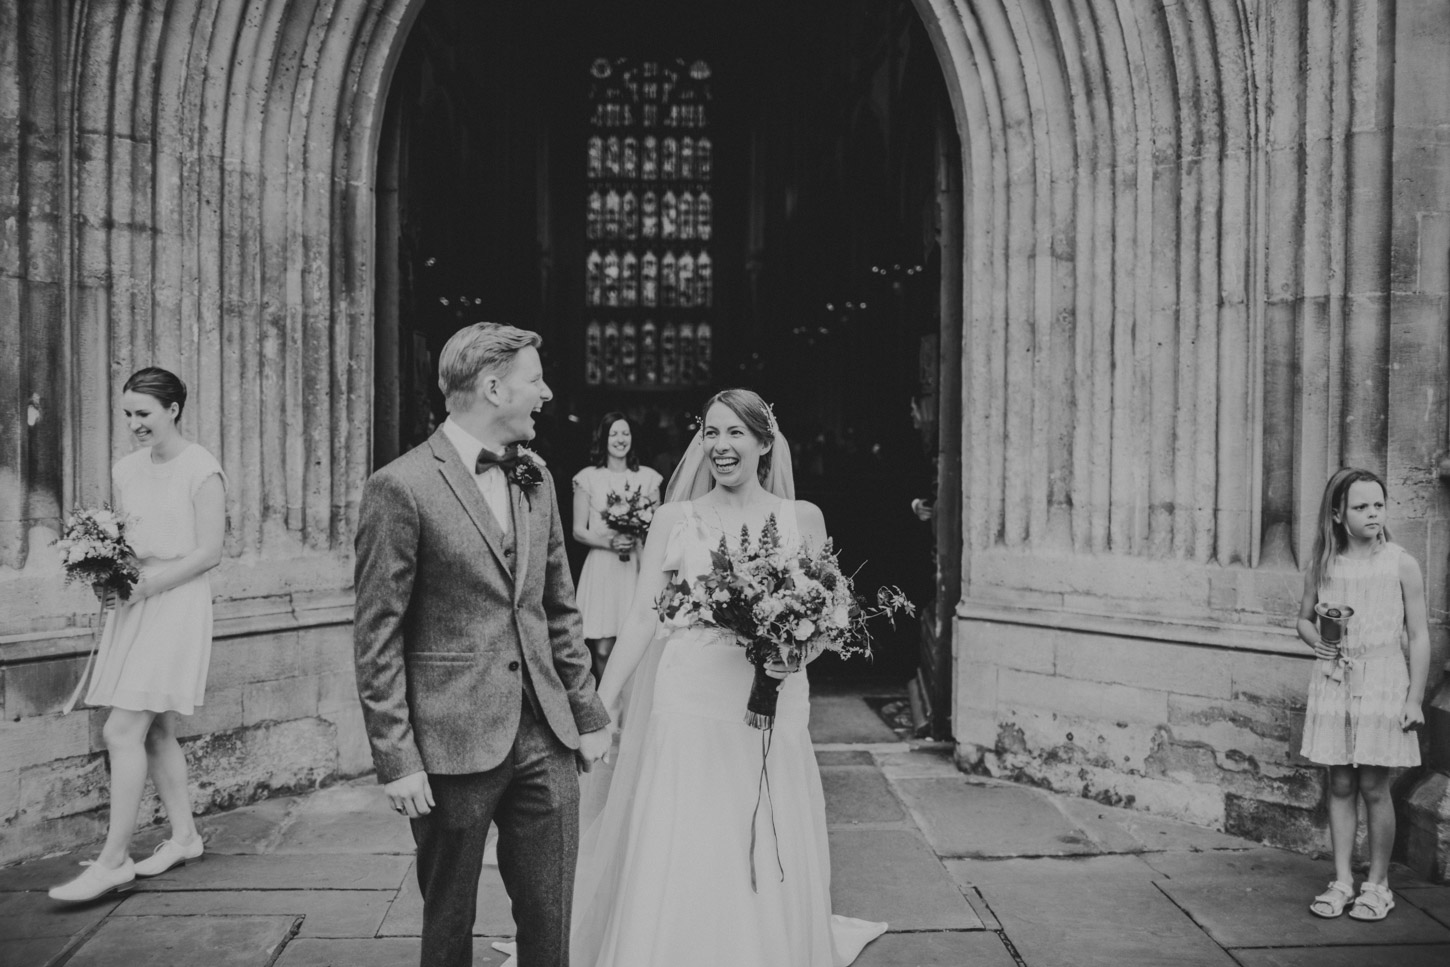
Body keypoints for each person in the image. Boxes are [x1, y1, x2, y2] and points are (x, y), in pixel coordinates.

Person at [569, 388, 887, 967]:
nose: (720, 446)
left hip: (773, 698)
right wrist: (600, 704)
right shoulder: (673, 518)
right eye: (710, 433)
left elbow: (829, 615)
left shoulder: (802, 517)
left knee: (769, 819)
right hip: (689, 693)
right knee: (687, 825)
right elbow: (643, 615)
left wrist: (799, 655)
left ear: (765, 443)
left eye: (735, 433)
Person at [353, 322, 612, 967]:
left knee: (551, 912)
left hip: (546, 735)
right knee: (449, 916)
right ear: (494, 388)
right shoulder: (401, 486)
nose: (546, 393)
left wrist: (586, 711)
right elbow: (377, 632)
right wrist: (396, 756)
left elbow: (558, 605)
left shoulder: (538, 478)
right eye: (535, 380)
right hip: (450, 740)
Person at [49, 367, 226, 902]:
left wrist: (144, 587)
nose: (134, 424)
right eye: (127, 414)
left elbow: (209, 551)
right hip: (135, 603)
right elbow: (129, 541)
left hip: (175, 602)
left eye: (143, 413)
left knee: (120, 731)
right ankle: (186, 837)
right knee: (153, 730)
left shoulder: (202, 469)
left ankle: (113, 860)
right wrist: (108, 572)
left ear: (174, 409)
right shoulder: (126, 469)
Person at [1298, 468, 1428, 922]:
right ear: (1337, 514)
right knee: (1340, 782)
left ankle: (1378, 883)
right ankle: (1342, 880)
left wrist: (1413, 698)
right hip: (1336, 679)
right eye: (1360, 506)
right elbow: (1304, 620)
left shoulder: (1400, 562)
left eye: (1378, 504)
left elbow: (1420, 634)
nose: (1373, 513)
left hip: (1382, 680)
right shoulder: (1326, 563)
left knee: (1374, 785)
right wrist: (1318, 641)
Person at [572, 413, 663, 681]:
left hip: (636, 565)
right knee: (602, 648)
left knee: (637, 644)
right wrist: (610, 542)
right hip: (602, 566)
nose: (620, 439)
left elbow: (657, 531)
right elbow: (578, 530)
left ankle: (631, 716)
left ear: (632, 439)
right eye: (614, 433)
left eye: (625, 433)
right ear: (603, 438)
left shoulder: (648, 478)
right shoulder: (587, 478)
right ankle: (609, 711)